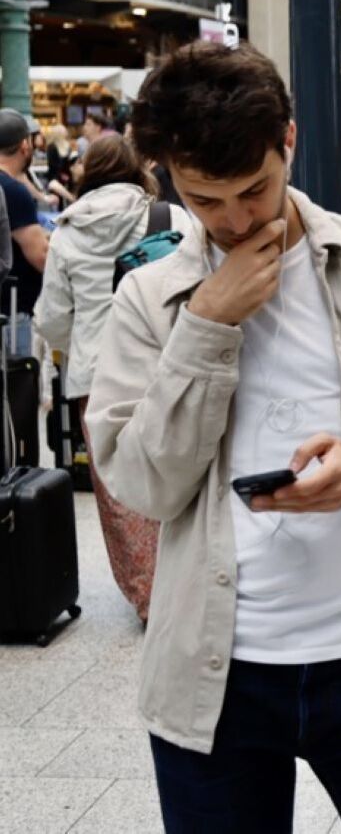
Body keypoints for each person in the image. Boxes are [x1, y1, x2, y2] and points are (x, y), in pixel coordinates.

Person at [85, 41, 341, 832]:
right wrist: (208, 320)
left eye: (255, 190)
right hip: (213, 677)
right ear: (168, 174)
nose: (237, 221)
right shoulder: (150, 298)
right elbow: (143, 483)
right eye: (206, 201)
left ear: (289, 140)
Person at [33, 135, 191, 624]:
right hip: (166, 362)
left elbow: (55, 317)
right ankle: (189, 585)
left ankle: (148, 596)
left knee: (118, 488)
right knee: (182, 470)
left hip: (96, 373)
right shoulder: (169, 217)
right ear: (137, 170)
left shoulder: (67, 231)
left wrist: (69, 344)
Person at [0, 109, 49, 355]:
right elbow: (41, 257)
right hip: (12, 307)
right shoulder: (12, 191)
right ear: (24, 146)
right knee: (16, 385)